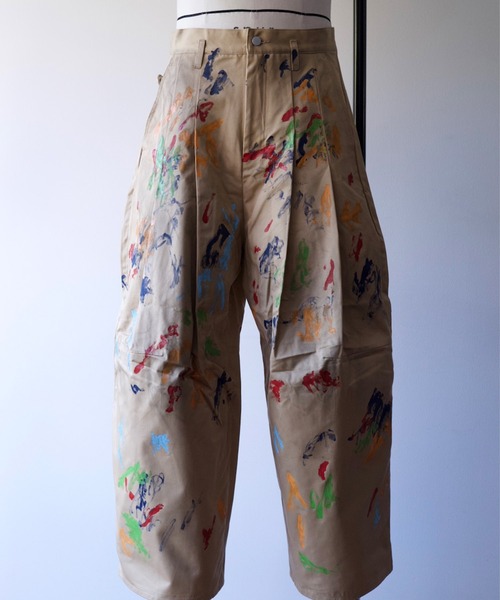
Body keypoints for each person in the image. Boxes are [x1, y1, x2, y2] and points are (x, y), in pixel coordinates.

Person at [112, 2, 394, 599]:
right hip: (195, 92)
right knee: (167, 362)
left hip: (309, 88)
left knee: (328, 367)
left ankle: (334, 580)